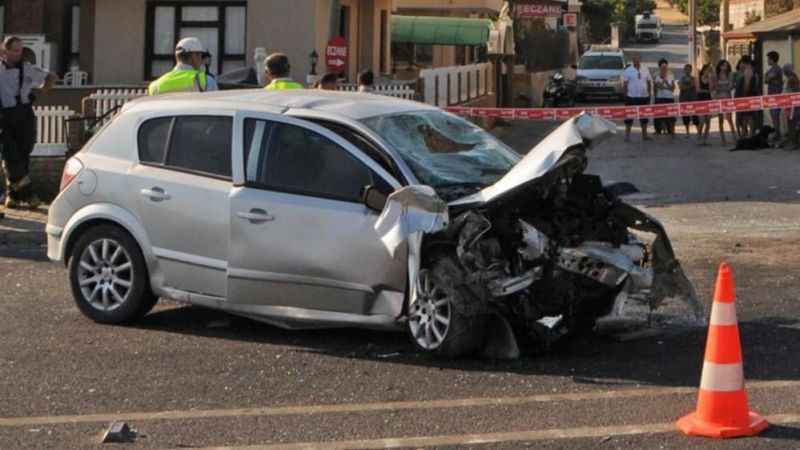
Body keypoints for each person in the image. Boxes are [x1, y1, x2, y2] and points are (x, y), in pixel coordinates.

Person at [0, 36, 56, 209]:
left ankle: (13, 196)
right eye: (15, 50)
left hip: (24, 115)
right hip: (4, 116)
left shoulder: (28, 68)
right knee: (10, 156)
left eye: (20, 50)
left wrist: (42, 90)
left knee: (23, 154)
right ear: (5, 51)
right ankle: (30, 194)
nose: (19, 53)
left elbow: (51, 76)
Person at [148, 37, 218, 96]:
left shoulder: (155, 86)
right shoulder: (207, 81)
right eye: (200, 55)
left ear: (177, 57)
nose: (201, 59)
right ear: (194, 56)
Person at [622, 55, 653, 142]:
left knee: (644, 117)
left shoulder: (645, 69)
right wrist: (625, 96)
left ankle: (645, 135)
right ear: (633, 61)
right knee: (629, 117)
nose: (637, 61)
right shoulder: (628, 70)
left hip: (644, 97)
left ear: (640, 60)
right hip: (631, 97)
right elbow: (625, 84)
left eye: (638, 59)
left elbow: (649, 81)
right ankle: (627, 136)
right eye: (635, 60)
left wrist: (649, 94)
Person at [713, 59, 736, 145]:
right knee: (720, 120)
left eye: (726, 65)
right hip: (719, 99)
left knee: (730, 119)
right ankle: (723, 139)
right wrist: (725, 88)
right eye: (723, 65)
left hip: (727, 99)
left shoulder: (730, 74)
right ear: (719, 66)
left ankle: (734, 138)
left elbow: (731, 86)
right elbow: (715, 87)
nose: (725, 67)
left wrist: (721, 88)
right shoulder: (716, 75)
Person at [735, 56, 758, 138]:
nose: (740, 64)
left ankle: (749, 134)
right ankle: (745, 133)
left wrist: (744, 98)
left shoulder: (748, 70)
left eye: (741, 63)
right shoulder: (748, 70)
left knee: (749, 117)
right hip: (746, 96)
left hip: (747, 97)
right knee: (745, 117)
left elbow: (747, 86)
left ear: (744, 63)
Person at [653, 58, 676, 139]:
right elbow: (659, 87)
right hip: (660, 97)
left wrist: (666, 84)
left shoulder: (671, 75)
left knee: (670, 115)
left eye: (665, 67)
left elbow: (672, 88)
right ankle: (658, 130)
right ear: (659, 67)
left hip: (669, 98)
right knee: (659, 114)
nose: (664, 69)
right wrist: (664, 81)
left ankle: (670, 130)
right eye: (662, 67)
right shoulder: (656, 76)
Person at [765, 51, 784, 143]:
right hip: (771, 95)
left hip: (776, 96)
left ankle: (777, 135)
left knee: (775, 116)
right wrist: (767, 77)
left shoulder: (776, 69)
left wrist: (767, 77)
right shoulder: (771, 69)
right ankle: (777, 134)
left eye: (768, 59)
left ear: (772, 59)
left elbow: (768, 78)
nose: (767, 61)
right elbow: (766, 80)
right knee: (773, 116)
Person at [678, 64, 700, 137]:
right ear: (684, 70)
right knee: (685, 117)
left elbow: (696, 86)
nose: (688, 71)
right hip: (684, 99)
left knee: (695, 116)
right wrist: (690, 85)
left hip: (693, 99)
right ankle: (687, 132)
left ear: (691, 70)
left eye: (689, 69)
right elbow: (681, 87)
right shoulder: (682, 78)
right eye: (686, 69)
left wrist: (686, 86)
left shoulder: (693, 78)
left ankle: (698, 132)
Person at [781, 64, 799, 150]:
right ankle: (792, 141)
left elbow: (795, 91)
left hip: (792, 106)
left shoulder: (792, 79)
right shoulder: (790, 78)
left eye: (784, 70)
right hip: (788, 105)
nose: (783, 72)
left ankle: (793, 143)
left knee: (791, 124)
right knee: (790, 124)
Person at [696, 64, 714, 146]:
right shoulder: (698, 78)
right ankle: (699, 137)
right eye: (707, 70)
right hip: (700, 102)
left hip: (708, 101)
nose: (708, 72)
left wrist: (710, 79)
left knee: (708, 122)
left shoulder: (710, 78)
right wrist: (705, 91)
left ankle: (705, 139)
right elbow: (698, 90)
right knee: (701, 121)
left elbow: (710, 89)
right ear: (703, 70)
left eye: (709, 70)